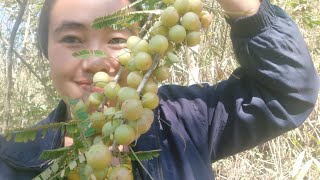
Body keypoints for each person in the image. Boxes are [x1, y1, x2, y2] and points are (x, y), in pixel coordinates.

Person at [0, 0, 319, 179]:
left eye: (117, 40)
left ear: (146, 47)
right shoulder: (8, 162)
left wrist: (244, 8)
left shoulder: (189, 121)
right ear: (46, 51)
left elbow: (287, 93)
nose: (97, 62)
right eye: (71, 39)